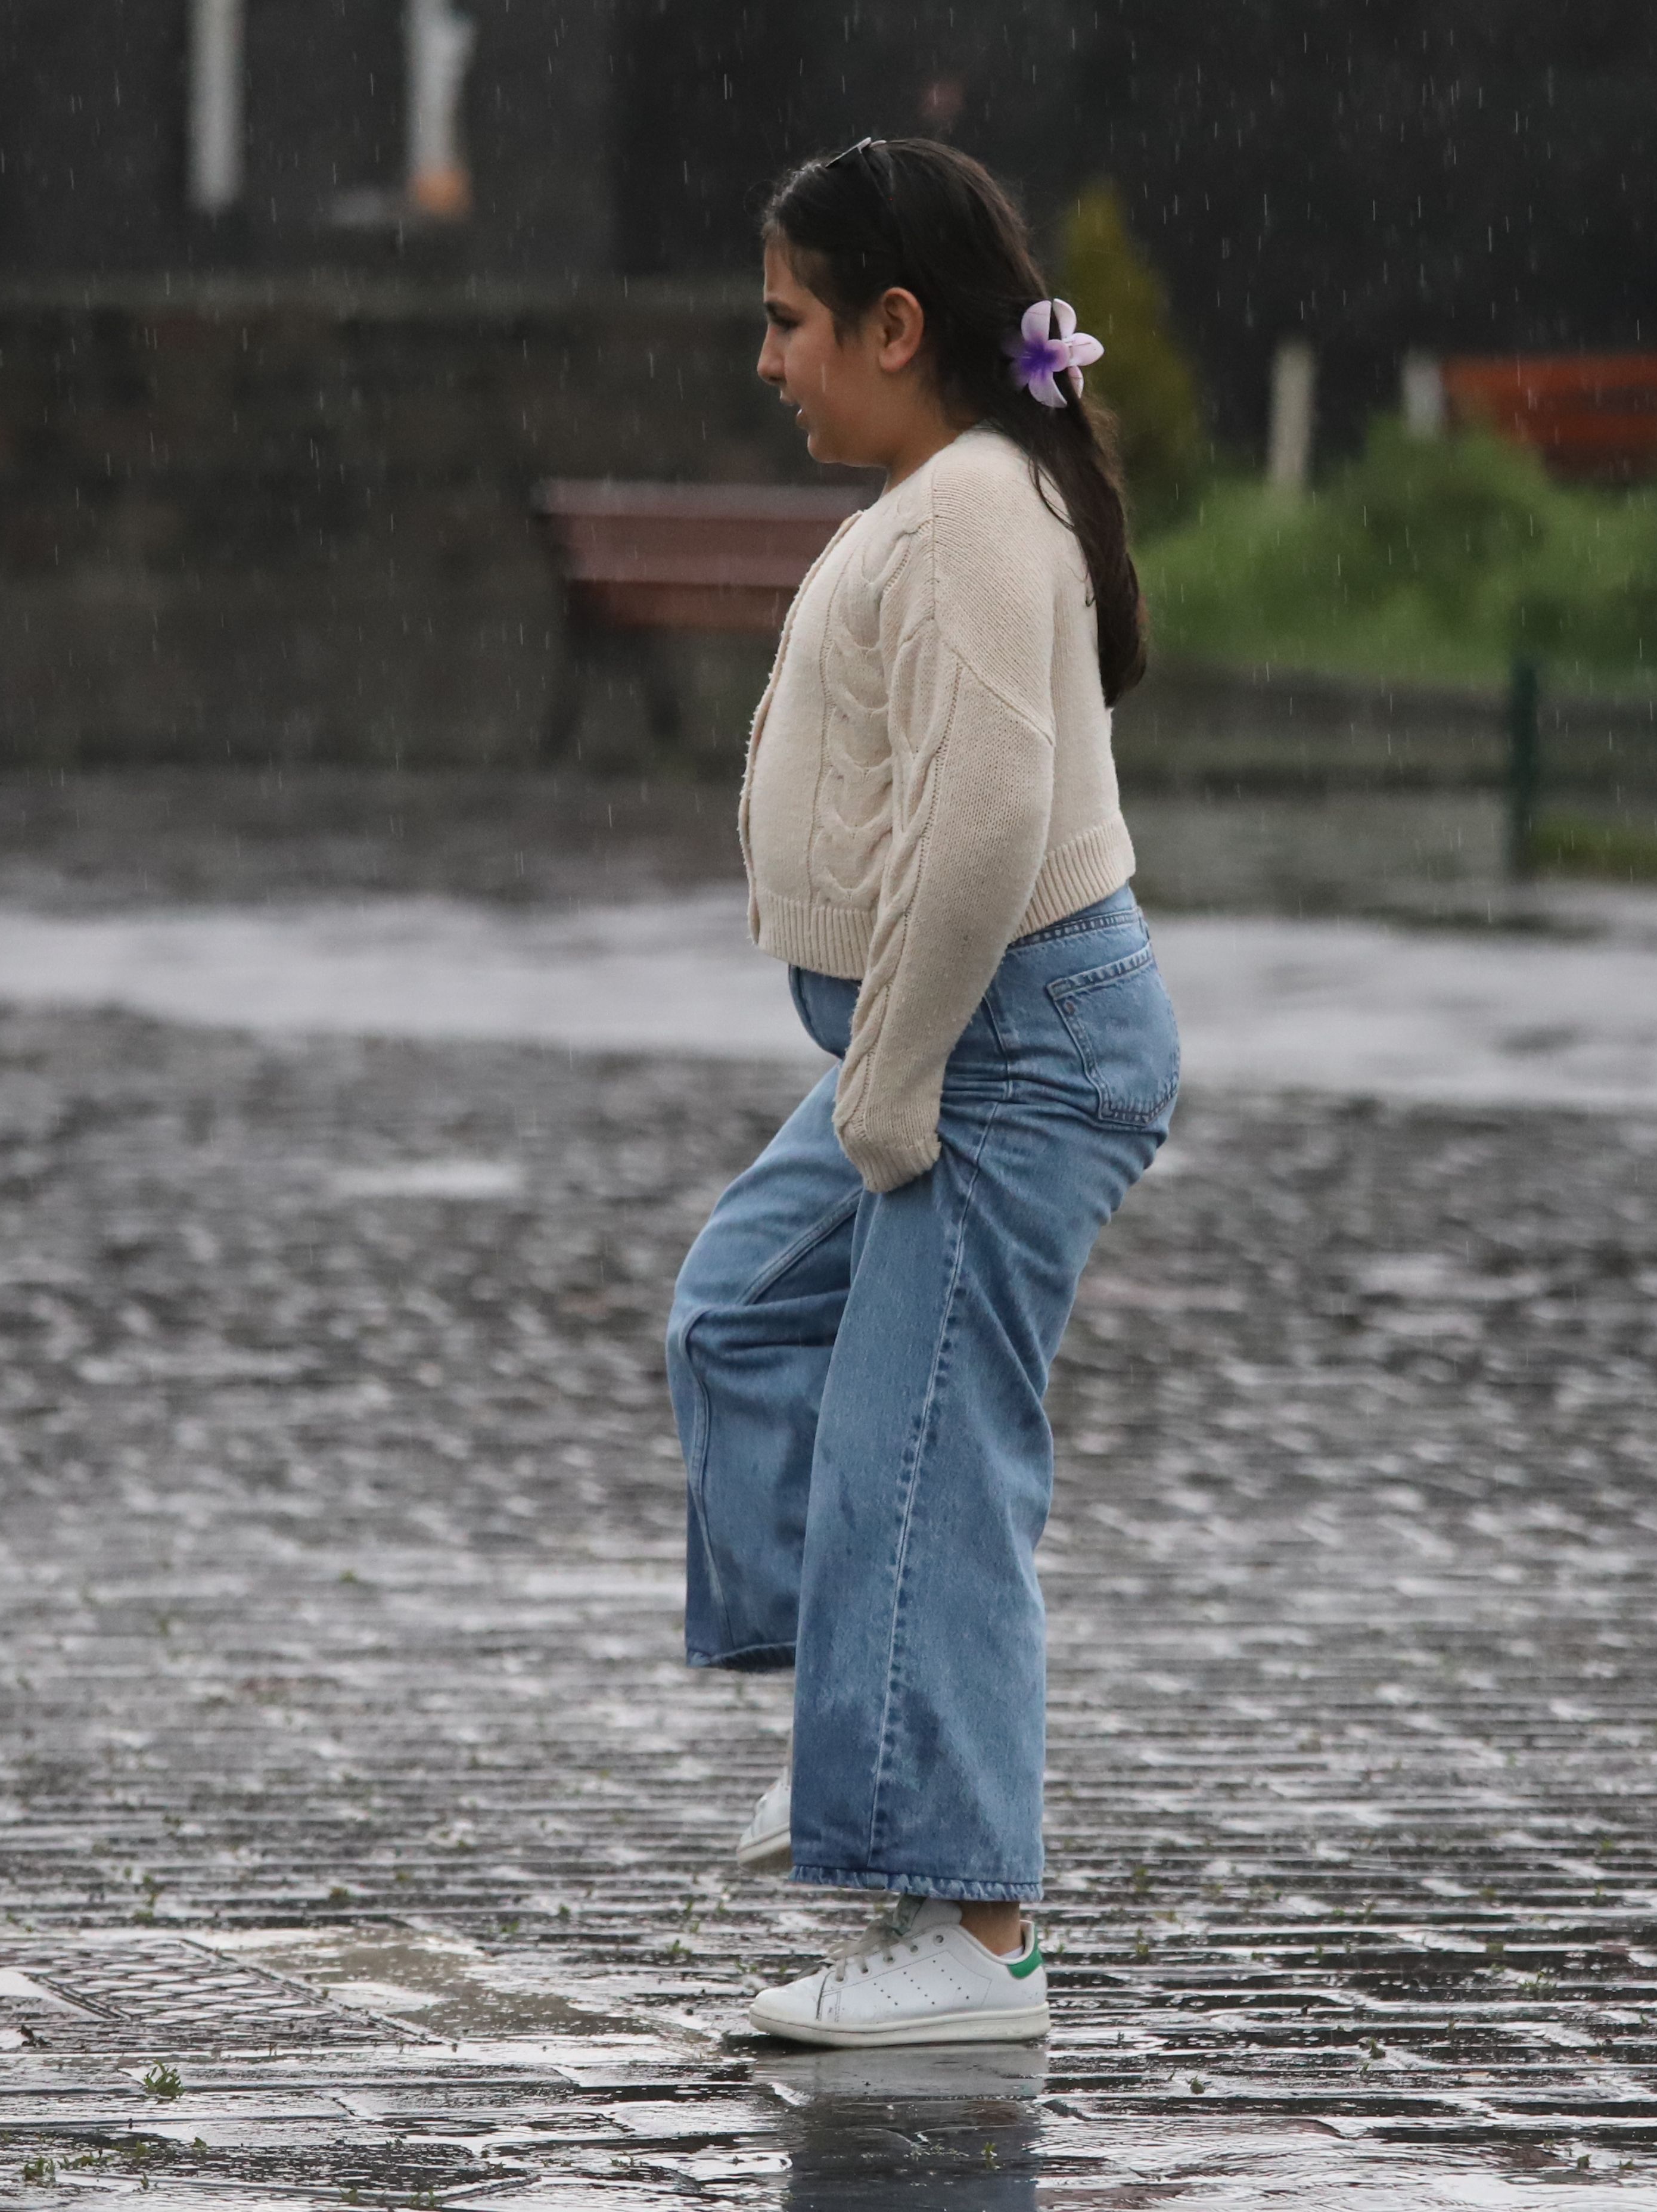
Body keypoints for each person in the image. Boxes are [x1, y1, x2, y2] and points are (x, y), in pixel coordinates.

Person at [661, 137, 1174, 2049]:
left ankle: (973, 1939)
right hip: (958, 1037)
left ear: (896, 326)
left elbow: (984, 834)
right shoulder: (955, 488)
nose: (768, 358)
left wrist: (890, 1089)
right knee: (737, 1316)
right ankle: (873, 1722)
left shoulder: (970, 509)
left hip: (1000, 1048)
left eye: (790, 323)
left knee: (921, 1467)